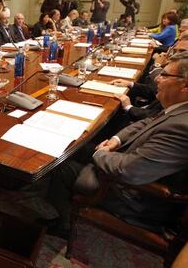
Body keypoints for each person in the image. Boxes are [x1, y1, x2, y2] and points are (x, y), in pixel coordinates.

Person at [44, 55, 188, 239]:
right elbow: (148, 122)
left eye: (166, 75)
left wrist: (101, 153)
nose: (158, 78)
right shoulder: (179, 109)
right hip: (131, 160)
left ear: (185, 86)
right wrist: (116, 140)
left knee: (60, 165)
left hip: (135, 197)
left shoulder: (182, 128)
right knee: (76, 147)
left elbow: (128, 170)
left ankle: (64, 224)